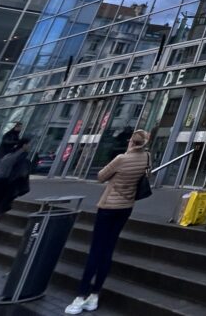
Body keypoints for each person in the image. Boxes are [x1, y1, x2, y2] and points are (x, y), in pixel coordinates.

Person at [63, 129, 151, 315]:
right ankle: (95, 294)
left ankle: (81, 296)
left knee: (96, 250)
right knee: (108, 249)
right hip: (126, 206)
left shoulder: (121, 159)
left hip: (109, 206)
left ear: (131, 143)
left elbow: (101, 176)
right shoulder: (146, 158)